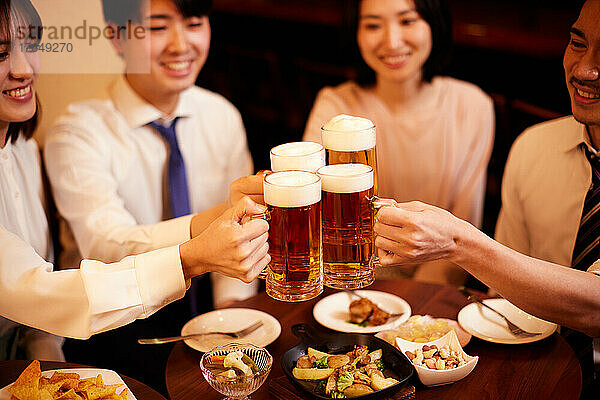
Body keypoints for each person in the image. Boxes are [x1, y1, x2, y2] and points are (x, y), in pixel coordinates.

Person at [0, 0, 269, 360]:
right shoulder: (79, 131)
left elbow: (35, 324)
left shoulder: (221, 115)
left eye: (193, 23)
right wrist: (200, 244)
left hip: (208, 322)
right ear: (115, 36)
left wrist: (233, 327)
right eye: (157, 27)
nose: (180, 44)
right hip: (114, 333)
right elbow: (105, 247)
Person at [374, 0, 600, 396]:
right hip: (534, 368)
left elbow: (596, 307)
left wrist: (457, 241)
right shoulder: (533, 147)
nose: (584, 70)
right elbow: (501, 292)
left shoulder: (468, 105)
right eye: (577, 43)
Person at [302, 0, 494, 286]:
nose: (391, 42)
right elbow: (315, 220)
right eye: (373, 25)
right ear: (356, 32)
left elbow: (463, 232)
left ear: (434, 24)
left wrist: (414, 308)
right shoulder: (335, 109)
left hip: (437, 286)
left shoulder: (471, 106)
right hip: (351, 284)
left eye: (407, 21)